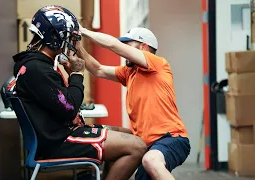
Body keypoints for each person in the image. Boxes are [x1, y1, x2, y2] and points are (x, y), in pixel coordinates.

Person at [12, 5, 146, 180]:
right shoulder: (37, 69)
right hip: (59, 141)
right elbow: (70, 107)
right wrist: (77, 75)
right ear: (54, 37)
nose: (71, 43)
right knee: (137, 147)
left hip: (59, 133)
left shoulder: (35, 64)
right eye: (68, 37)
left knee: (128, 135)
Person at [77, 26, 191, 180]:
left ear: (144, 47)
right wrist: (76, 45)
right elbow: (98, 70)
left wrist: (83, 31)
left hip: (171, 138)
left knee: (151, 161)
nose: (125, 50)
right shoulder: (130, 73)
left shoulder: (157, 64)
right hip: (146, 143)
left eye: (128, 45)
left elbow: (114, 46)